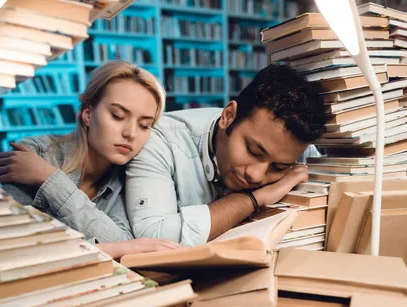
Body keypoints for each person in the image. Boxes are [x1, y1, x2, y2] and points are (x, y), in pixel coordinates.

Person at [0, 61, 181, 259]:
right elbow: (16, 250)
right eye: (117, 116)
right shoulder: (34, 154)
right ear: (88, 114)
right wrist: (113, 249)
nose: (131, 133)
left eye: (144, 125)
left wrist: (50, 180)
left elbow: (122, 242)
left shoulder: (131, 176)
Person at [125, 63, 326, 247]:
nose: (255, 175)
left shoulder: (293, 148)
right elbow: (151, 237)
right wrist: (253, 199)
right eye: (253, 151)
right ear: (228, 116)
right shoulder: (159, 139)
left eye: (279, 168)